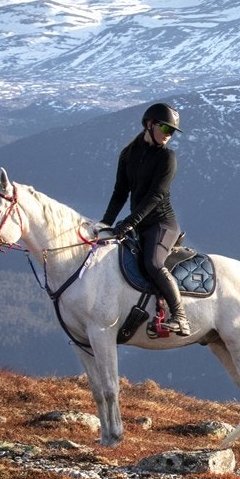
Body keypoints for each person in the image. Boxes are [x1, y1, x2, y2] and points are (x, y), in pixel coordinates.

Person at [101, 102, 190, 337]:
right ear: (149, 125)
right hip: (139, 223)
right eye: (166, 128)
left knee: (153, 264)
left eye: (172, 131)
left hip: (162, 224)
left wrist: (129, 222)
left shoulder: (167, 158)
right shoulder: (128, 155)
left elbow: (155, 196)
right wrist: (104, 225)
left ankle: (180, 317)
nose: (169, 135)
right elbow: (120, 193)